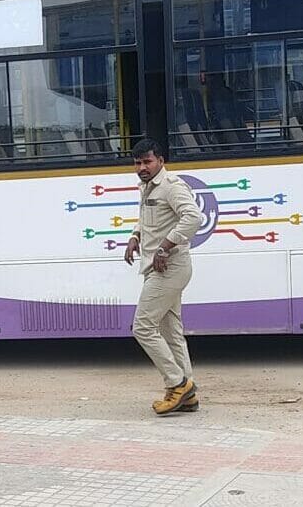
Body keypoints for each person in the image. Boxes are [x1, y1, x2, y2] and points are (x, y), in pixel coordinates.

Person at [123, 138, 201, 415]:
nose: (142, 167)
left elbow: (193, 217)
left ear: (161, 161)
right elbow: (147, 220)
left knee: (142, 327)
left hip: (170, 267)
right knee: (171, 332)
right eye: (137, 162)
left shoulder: (172, 186)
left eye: (147, 161)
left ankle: (177, 384)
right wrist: (135, 236)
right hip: (158, 267)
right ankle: (188, 394)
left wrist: (165, 247)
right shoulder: (147, 186)